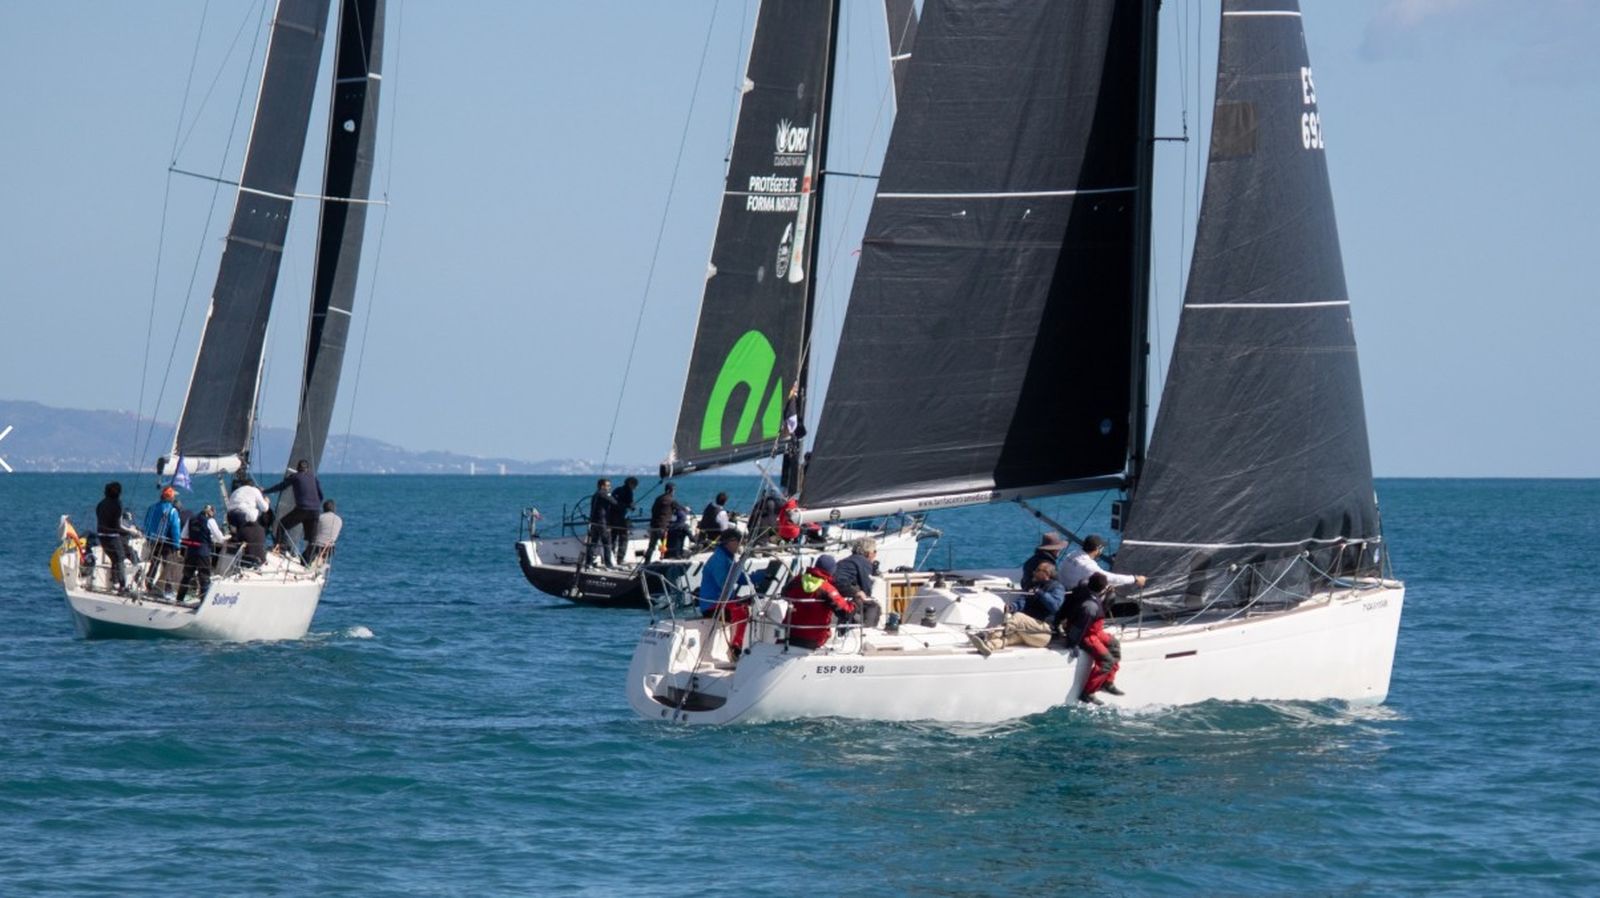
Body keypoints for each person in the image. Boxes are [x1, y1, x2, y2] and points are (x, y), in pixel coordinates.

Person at [970, 560, 1064, 655]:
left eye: (1037, 570)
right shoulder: (1032, 586)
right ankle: (989, 646)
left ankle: (988, 635)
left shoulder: (1057, 587)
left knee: (1018, 617)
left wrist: (1040, 593)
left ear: (1046, 573)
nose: (1034, 572)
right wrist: (1012, 607)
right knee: (1009, 637)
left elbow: (1055, 606)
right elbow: (1022, 602)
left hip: (1044, 632)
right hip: (1030, 633)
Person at [1056, 573, 1124, 701]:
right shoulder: (1090, 607)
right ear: (1102, 588)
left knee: (1114, 644)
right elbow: (1079, 628)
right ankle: (1088, 692)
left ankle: (1107, 682)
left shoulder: (1085, 589)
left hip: (1095, 631)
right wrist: (1073, 644)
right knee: (1107, 661)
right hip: (1086, 635)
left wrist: (1107, 595)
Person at [698, 529, 755, 659]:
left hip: (722, 600)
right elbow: (725, 585)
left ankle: (743, 645)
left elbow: (739, 578)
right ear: (731, 542)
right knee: (741, 610)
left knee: (750, 606)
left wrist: (759, 576)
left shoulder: (727, 557)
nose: (741, 545)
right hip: (712, 605)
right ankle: (737, 648)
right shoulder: (719, 560)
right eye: (740, 542)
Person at [782, 554, 856, 650]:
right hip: (813, 639)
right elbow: (845, 612)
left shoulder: (797, 580)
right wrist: (856, 602)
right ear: (831, 571)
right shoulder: (827, 588)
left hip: (789, 634)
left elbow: (784, 593)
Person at [263, 459, 325, 559]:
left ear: (297, 469)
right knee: (311, 539)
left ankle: (279, 548)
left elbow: (281, 486)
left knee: (282, 525)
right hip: (315, 510)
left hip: (302, 509)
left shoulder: (295, 476)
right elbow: (321, 495)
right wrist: (315, 505)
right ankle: (307, 560)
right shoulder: (313, 477)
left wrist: (265, 491)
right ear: (307, 469)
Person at [1057, 534, 1147, 592]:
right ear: (1097, 549)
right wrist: (1134, 579)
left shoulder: (1072, 554)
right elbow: (1109, 578)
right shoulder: (1087, 565)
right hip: (1073, 597)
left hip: (1063, 590)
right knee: (1110, 594)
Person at [175, 504, 226, 605]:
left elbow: (183, 535)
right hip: (203, 552)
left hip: (191, 552)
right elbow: (220, 538)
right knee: (204, 577)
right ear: (211, 512)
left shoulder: (191, 519)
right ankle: (203, 602)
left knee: (187, 576)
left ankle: (179, 599)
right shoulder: (210, 521)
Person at [831, 537, 883, 628]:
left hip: (833, 592)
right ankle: (867, 630)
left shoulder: (847, 560)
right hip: (844, 588)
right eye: (874, 551)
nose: (875, 554)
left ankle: (847, 626)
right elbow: (866, 588)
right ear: (868, 553)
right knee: (873, 606)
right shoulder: (864, 562)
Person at [142, 485, 183, 597]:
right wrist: (177, 546)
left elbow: (146, 523)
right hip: (167, 542)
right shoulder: (172, 511)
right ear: (170, 497)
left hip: (153, 540)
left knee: (154, 563)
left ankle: (149, 584)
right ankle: (167, 588)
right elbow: (175, 529)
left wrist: (148, 537)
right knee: (168, 565)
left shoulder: (152, 508)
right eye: (173, 496)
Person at [94, 481, 131, 594]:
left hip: (101, 536)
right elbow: (117, 526)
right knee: (120, 559)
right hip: (112, 537)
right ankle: (123, 586)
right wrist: (131, 531)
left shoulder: (100, 504)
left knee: (114, 559)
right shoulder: (117, 504)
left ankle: (115, 583)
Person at [642, 481, 680, 564]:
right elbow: (679, 509)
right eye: (674, 490)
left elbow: (653, 510)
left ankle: (647, 561)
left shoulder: (658, 498)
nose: (674, 492)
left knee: (651, 545)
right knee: (668, 543)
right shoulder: (671, 500)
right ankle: (666, 559)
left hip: (654, 525)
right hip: (663, 526)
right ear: (670, 490)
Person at [585, 478, 617, 566]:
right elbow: (614, 503)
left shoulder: (595, 495)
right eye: (608, 486)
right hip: (602, 522)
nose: (610, 487)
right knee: (607, 543)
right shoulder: (603, 494)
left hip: (594, 522)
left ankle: (588, 563)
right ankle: (608, 564)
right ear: (602, 486)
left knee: (593, 543)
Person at [610, 476, 638, 563]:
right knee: (623, 538)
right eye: (635, 485)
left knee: (613, 537)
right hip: (622, 518)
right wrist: (632, 507)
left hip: (612, 518)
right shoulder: (628, 491)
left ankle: (611, 557)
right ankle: (620, 559)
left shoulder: (617, 489)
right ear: (631, 484)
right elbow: (630, 504)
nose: (635, 488)